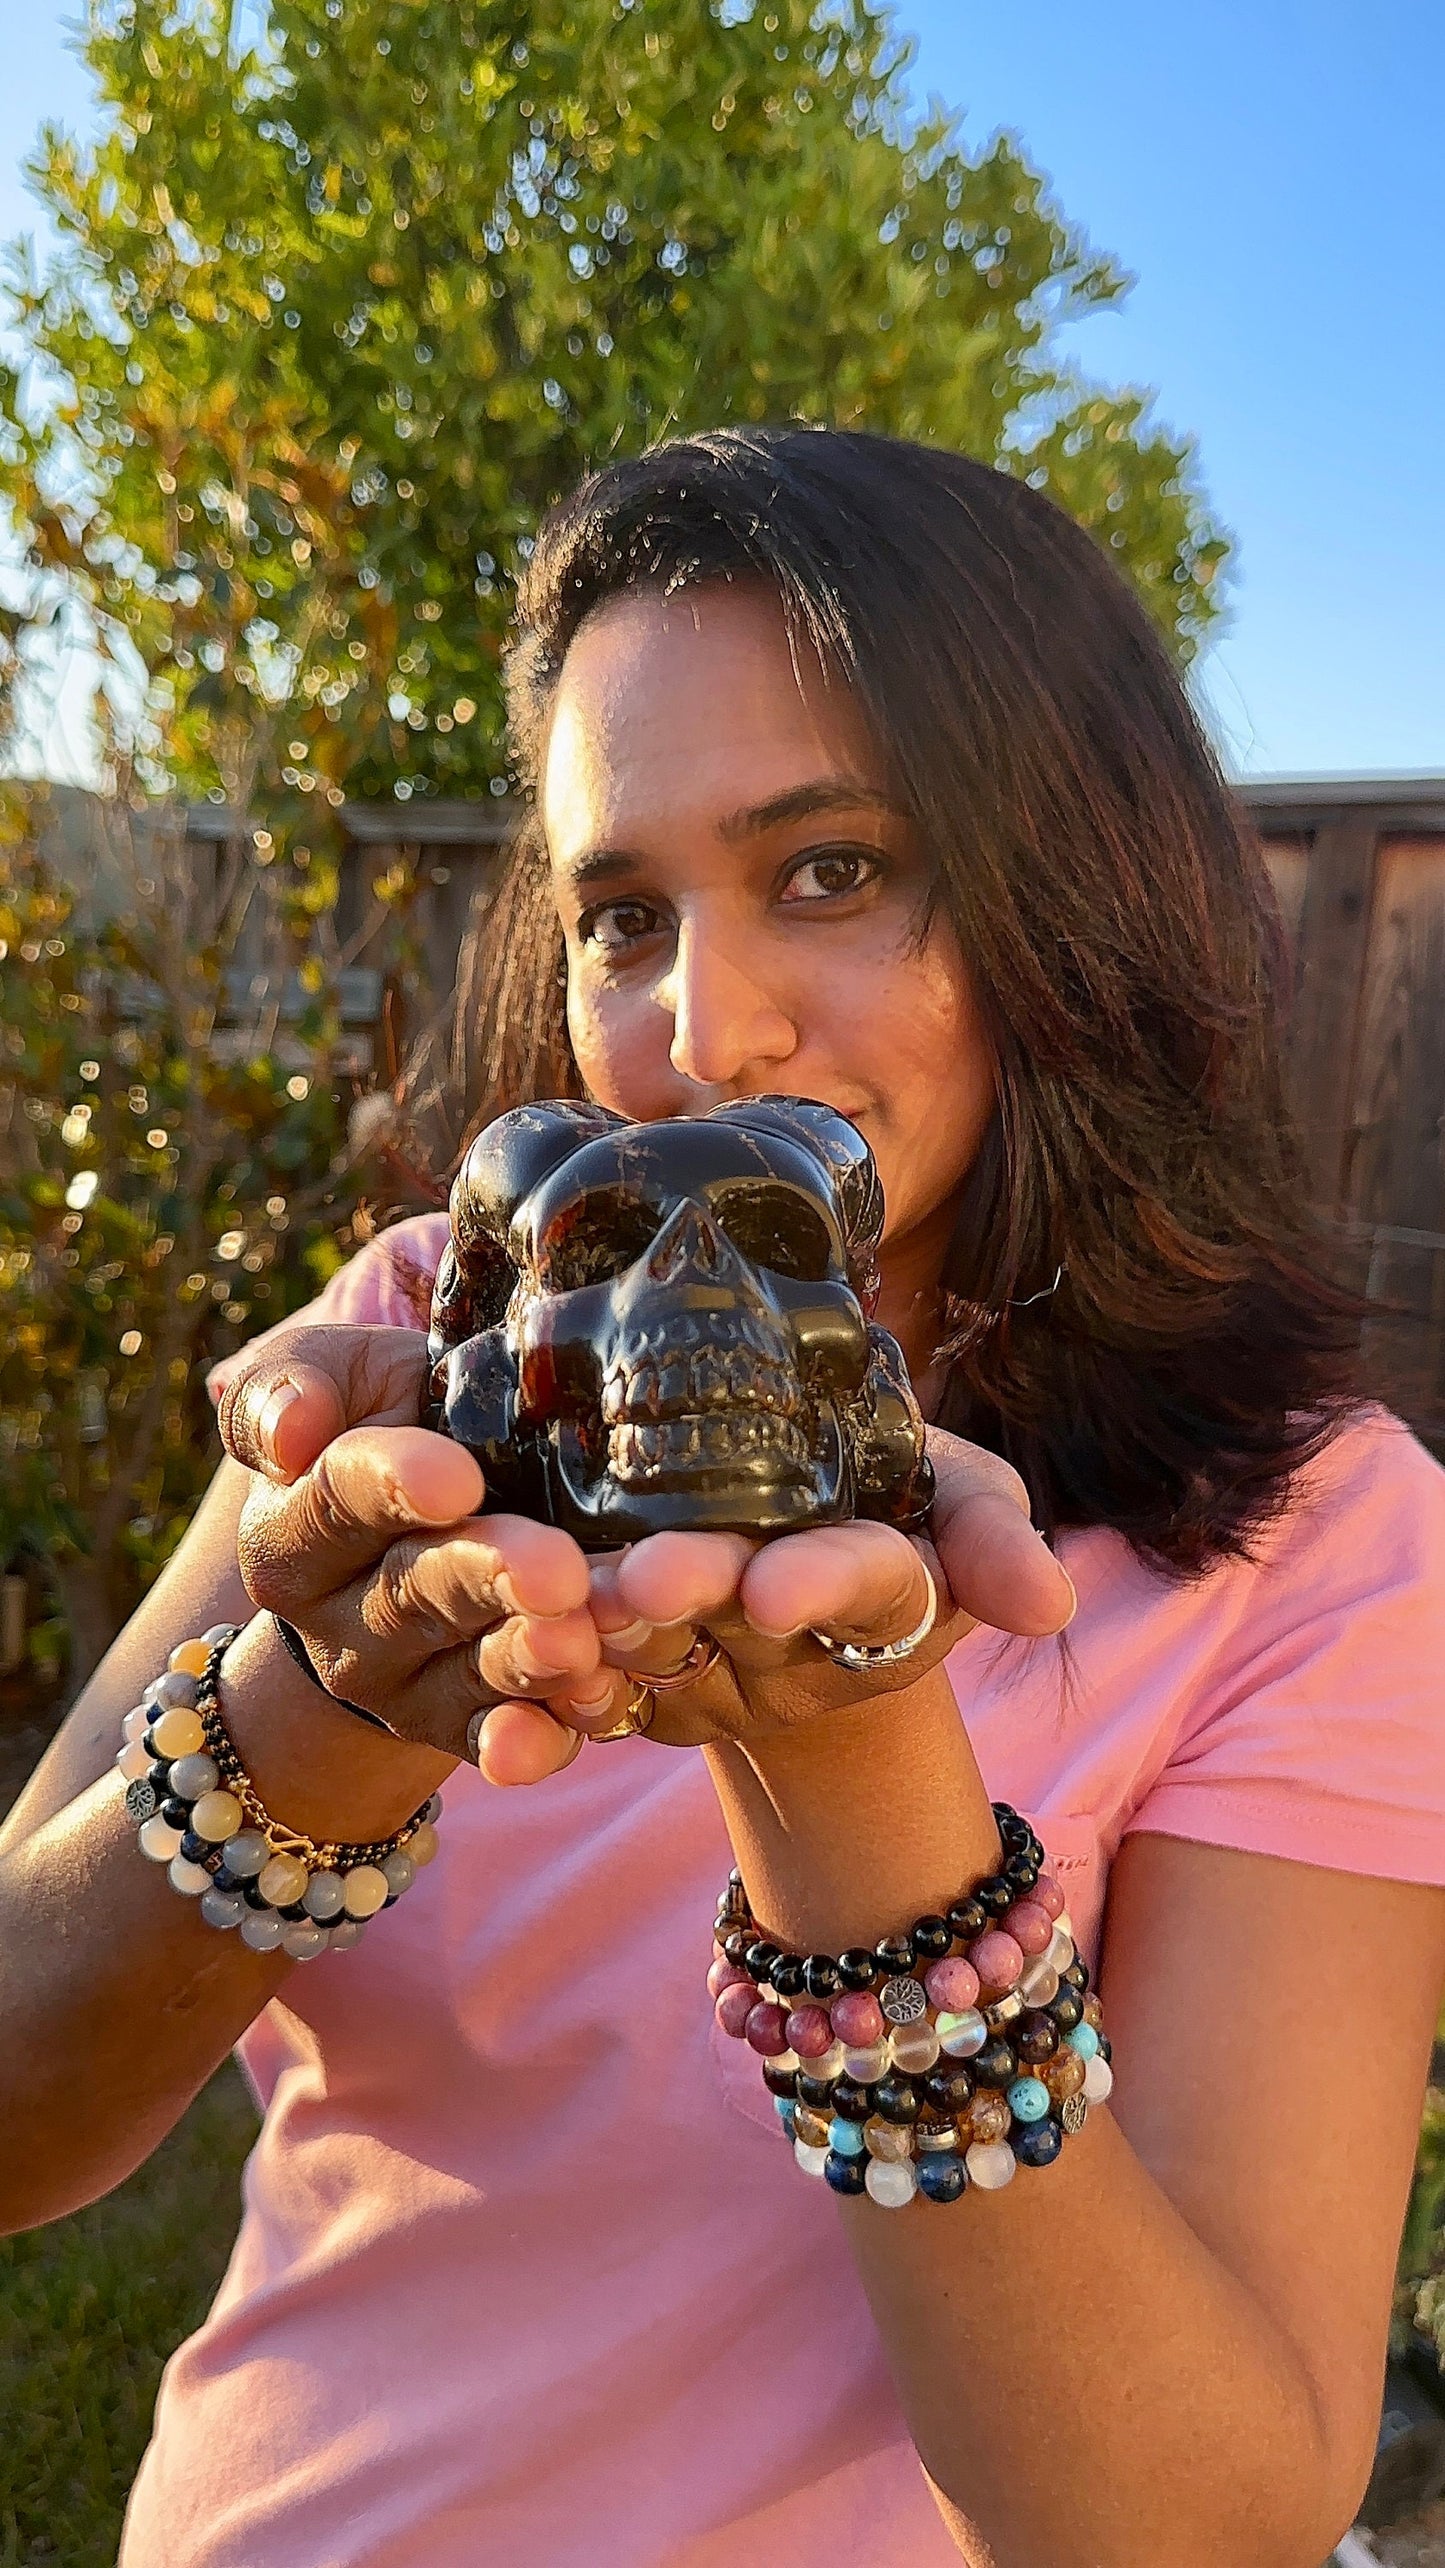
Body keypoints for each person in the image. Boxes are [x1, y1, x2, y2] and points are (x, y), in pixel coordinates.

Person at [3, 427, 1444, 2568]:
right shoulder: (430, 1347)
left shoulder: (1323, 1549)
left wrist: (854, 1768)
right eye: (622, 913)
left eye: (833, 868)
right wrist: (323, 1711)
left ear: (1077, 883)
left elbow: (1198, 2517)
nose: (697, 1033)